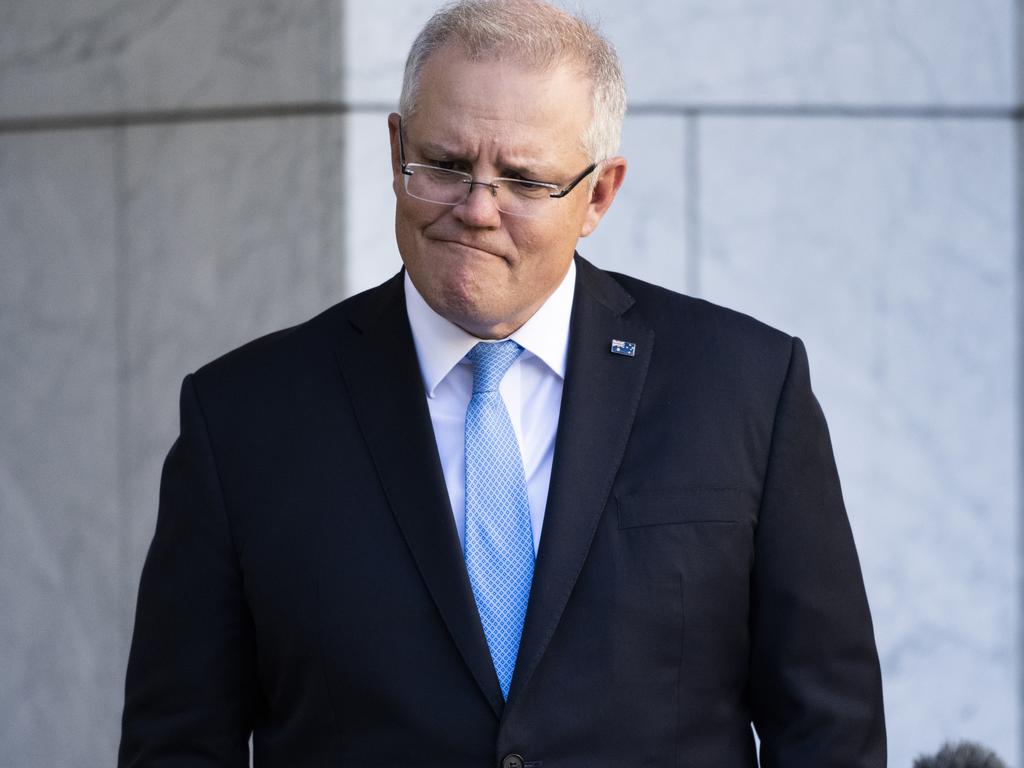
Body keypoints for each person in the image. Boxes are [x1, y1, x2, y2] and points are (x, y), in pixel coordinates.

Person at [119, 1, 886, 766]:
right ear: (396, 152)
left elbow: (827, 729)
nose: (476, 210)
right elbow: (179, 744)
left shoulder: (747, 387)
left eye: (523, 180)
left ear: (600, 195)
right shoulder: (244, 415)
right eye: (447, 166)